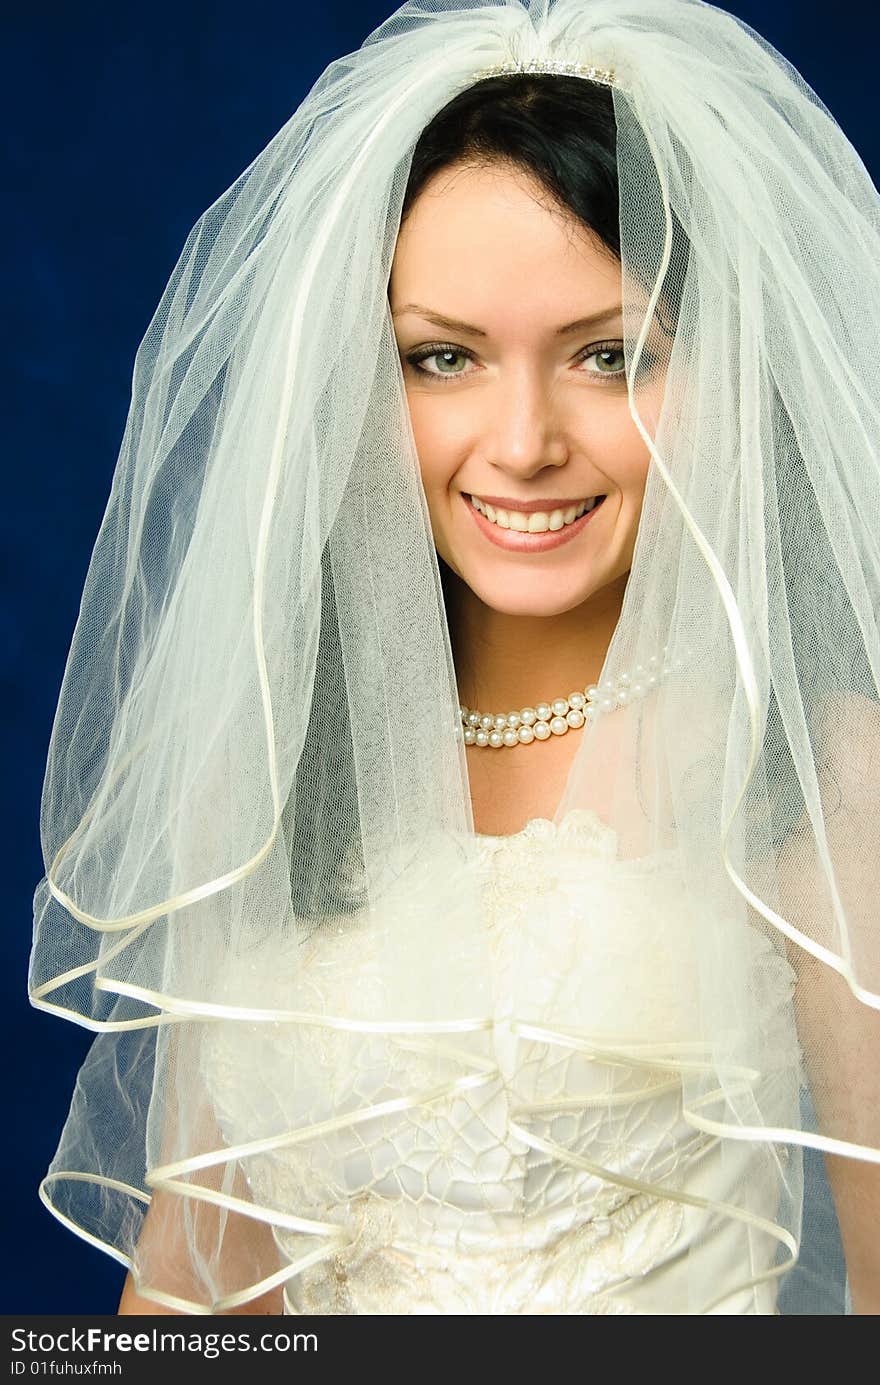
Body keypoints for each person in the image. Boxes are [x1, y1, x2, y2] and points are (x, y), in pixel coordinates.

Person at [30, 0, 880, 1315]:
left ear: (721, 364)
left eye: (611, 356)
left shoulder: (809, 771)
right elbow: (203, 1271)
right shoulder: (277, 755)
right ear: (359, 383)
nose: (524, 440)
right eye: (444, 359)